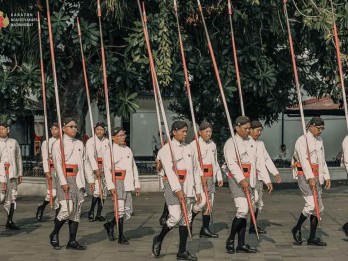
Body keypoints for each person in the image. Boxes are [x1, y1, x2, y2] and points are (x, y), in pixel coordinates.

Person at [152, 121, 202, 260]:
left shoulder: (190, 148)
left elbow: (196, 170)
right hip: (172, 186)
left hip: (188, 186)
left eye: (186, 131)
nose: (185, 134)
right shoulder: (166, 149)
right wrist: (177, 189)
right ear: (174, 132)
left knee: (186, 219)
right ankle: (159, 238)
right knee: (175, 216)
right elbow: (168, 171)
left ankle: (181, 252)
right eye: (182, 131)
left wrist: (198, 189)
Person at [49, 117, 95, 250]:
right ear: (63, 128)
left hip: (77, 179)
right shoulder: (58, 144)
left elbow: (85, 162)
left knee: (76, 210)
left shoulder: (80, 144)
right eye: (71, 126)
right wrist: (63, 182)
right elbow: (57, 165)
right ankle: (54, 233)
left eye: (75, 126)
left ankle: (72, 240)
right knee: (66, 209)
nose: (74, 129)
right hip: (65, 179)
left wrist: (90, 180)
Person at [291, 116, 330, 246]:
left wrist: (326, 176)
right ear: (311, 126)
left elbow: (322, 160)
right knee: (311, 205)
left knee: (318, 207)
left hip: (317, 175)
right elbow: (303, 160)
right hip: (305, 176)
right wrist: (310, 177)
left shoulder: (320, 141)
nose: (320, 131)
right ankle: (296, 228)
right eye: (318, 128)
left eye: (322, 128)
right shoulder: (302, 140)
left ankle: (312, 237)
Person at [224, 116, 258, 254]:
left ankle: (241, 243)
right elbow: (231, 164)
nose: (248, 131)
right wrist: (241, 179)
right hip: (237, 178)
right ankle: (231, 239)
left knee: (247, 211)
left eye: (249, 128)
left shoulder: (251, 141)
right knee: (242, 209)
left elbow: (255, 161)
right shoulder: (231, 143)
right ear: (236, 128)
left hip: (251, 178)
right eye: (245, 128)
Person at [103, 127, 141, 245]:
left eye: (124, 134)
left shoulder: (128, 150)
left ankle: (110, 225)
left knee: (124, 209)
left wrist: (137, 183)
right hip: (117, 181)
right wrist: (111, 186)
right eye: (120, 135)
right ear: (113, 137)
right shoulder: (109, 151)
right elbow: (106, 170)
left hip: (127, 181)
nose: (123, 137)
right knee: (119, 209)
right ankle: (121, 236)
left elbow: (133, 167)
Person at [190, 120, 223, 238]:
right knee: (202, 202)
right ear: (200, 132)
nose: (209, 134)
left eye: (210, 131)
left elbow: (215, 162)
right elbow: (193, 164)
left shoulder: (213, 145)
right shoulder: (194, 145)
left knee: (209, 204)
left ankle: (205, 229)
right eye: (206, 131)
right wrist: (200, 176)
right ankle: (189, 218)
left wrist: (219, 176)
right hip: (199, 178)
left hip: (210, 177)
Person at [249, 120, 282, 234]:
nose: (259, 133)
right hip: (249, 177)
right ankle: (245, 225)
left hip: (259, 178)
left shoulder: (260, 144)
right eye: (257, 130)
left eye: (260, 131)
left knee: (258, 202)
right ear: (250, 130)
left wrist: (275, 173)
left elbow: (266, 159)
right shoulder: (246, 143)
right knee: (251, 202)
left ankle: (253, 225)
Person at [0, 122, 23, 230]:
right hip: (1, 175)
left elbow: (18, 158)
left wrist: (20, 173)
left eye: (3, 129)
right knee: (1, 197)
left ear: (8, 130)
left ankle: (10, 220)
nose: (1, 131)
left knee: (12, 197)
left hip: (12, 174)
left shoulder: (13, 142)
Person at [85, 122, 110, 222]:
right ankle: (91, 211)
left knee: (103, 192)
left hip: (105, 168)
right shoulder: (91, 141)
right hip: (95, 167)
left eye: (102, 130)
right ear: (95, 130)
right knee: (96, 191)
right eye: (98, 129)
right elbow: (90, 157)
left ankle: (99, 213)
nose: (100, 131)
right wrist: (96, 169)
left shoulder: (107, 141)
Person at [36, 122, 60, 222]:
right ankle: (42, 207)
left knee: (60, 194)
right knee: (52, 194)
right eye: (52, 129)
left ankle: (58, 215)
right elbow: (45, 158)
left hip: (61, 170)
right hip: (51, 169)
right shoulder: (47, 143)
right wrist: (47, 171)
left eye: (56, 129)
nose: (54, 131)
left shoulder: (63, 142)